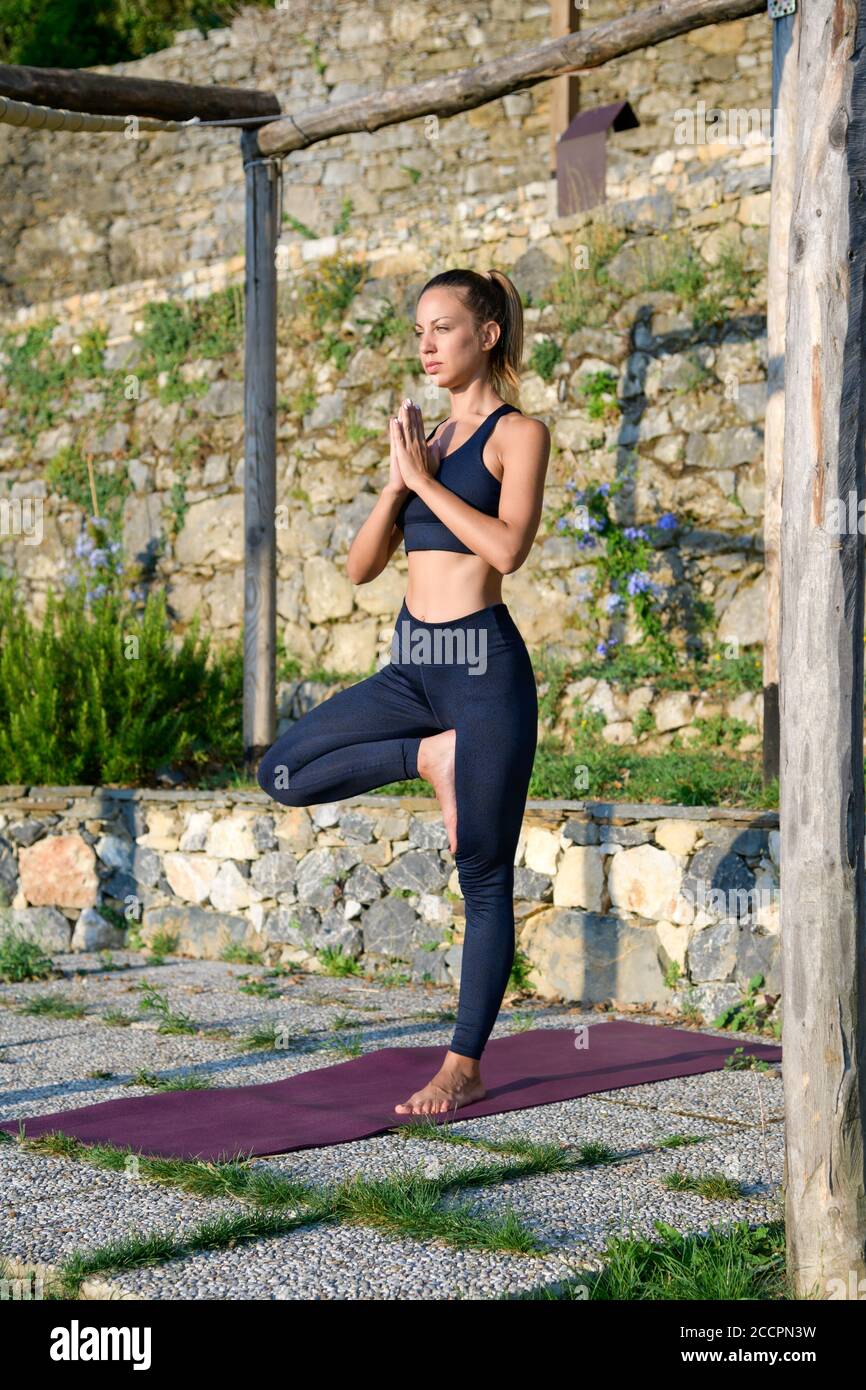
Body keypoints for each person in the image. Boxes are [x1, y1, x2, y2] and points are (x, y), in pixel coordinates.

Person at [257, 266, 550, 1117]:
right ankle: (429, 757)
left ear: (487, 334)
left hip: (482, 671)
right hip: (410, 669)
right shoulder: (425, 448)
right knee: (281, 772)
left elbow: (506, 549)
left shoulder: (515, 433)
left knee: (483, 871)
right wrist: (398, 479)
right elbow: (359, 568)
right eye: (419, 330)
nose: (426, 345)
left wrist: (424, 484)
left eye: (443, 328)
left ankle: (463, 1063)